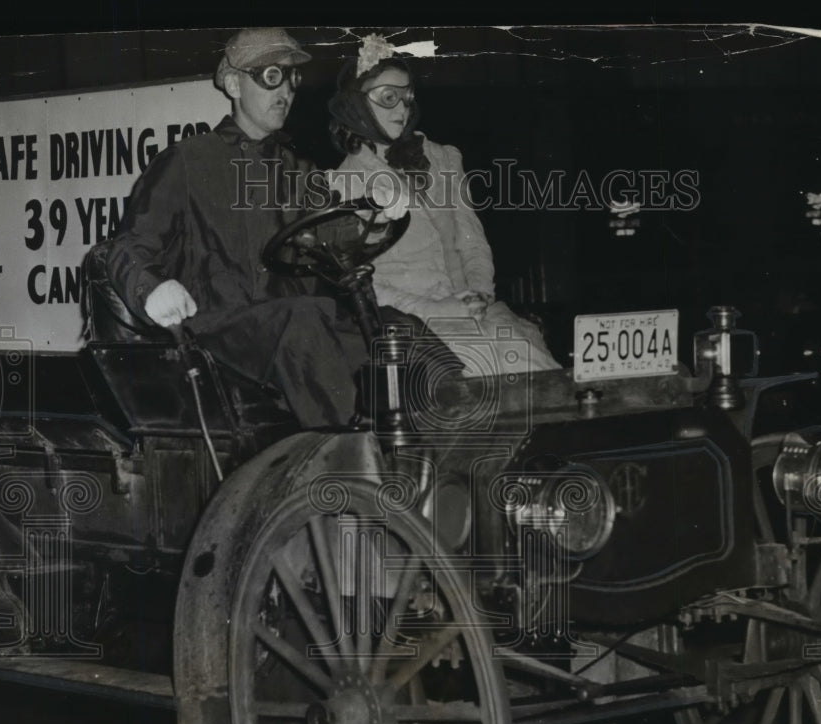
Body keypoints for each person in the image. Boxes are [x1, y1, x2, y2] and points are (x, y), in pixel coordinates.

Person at [106, 27, 401, 428]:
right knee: (304, 321)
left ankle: (438, 463)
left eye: (292, 78)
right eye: (271, 77)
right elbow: (128, 247)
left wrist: (377, 220)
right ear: (233, 84)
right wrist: (152, 287)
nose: (286, 91)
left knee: (401, 330)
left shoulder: (300, 171)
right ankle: (352, 472)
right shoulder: (186, 163)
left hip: (288, 326)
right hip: (220, 331)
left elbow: (338, 237)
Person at [327, 38, 561, 378]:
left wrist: (478, 295)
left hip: (473, 310)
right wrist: (433, 309)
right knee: (497, 381)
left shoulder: (440, 158)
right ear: (355, 104)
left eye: (406, 98)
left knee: (541, 370)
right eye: (388, 98)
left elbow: (472, 242)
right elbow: (362, 283)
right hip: (413, 323)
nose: (401, 110)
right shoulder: (340, 185)